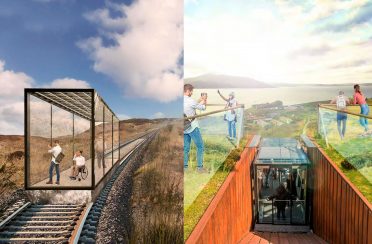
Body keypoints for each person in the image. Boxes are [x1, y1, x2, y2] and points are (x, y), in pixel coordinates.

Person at [184, 84, 208, 173]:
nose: (192, 93)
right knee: (200, 146)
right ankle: (200, 168)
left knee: (186, 148)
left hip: (184, 127)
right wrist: (204, 100)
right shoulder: (190, 100)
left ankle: (185, 168)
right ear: (188, 91)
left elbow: (194, 105)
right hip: (192, 127)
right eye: (191, 91)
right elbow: (203, 108)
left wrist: (199, 101)